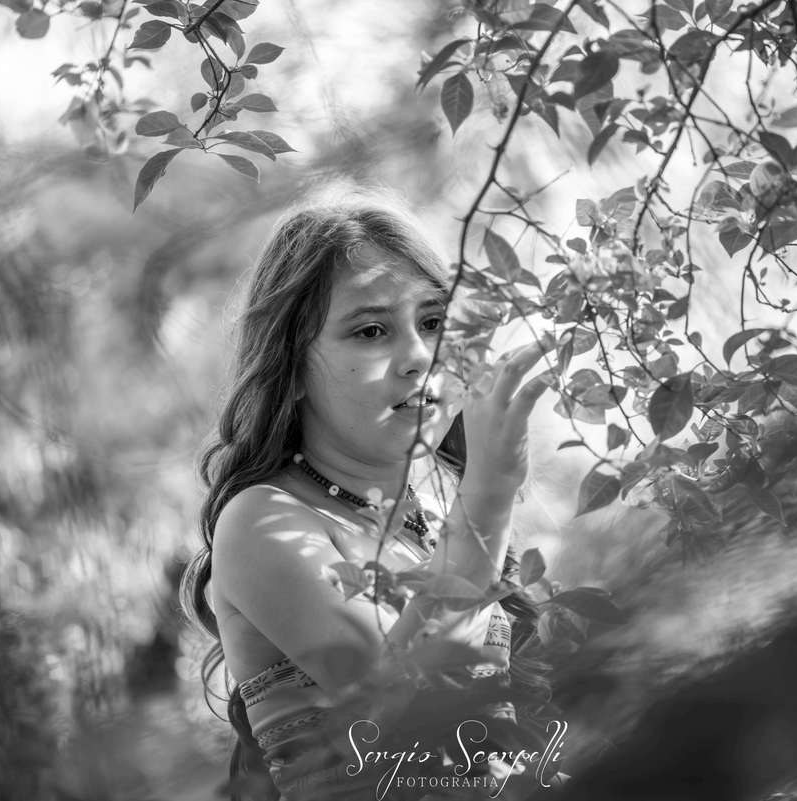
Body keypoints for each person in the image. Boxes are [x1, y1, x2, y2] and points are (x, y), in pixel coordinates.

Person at [179, 198, 562, 801]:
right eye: (371, 331)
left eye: (433, 322)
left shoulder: (433, 518)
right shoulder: (262, 521)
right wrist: (488, 497)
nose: (419, 357)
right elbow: (408, 712)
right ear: (291, 369)